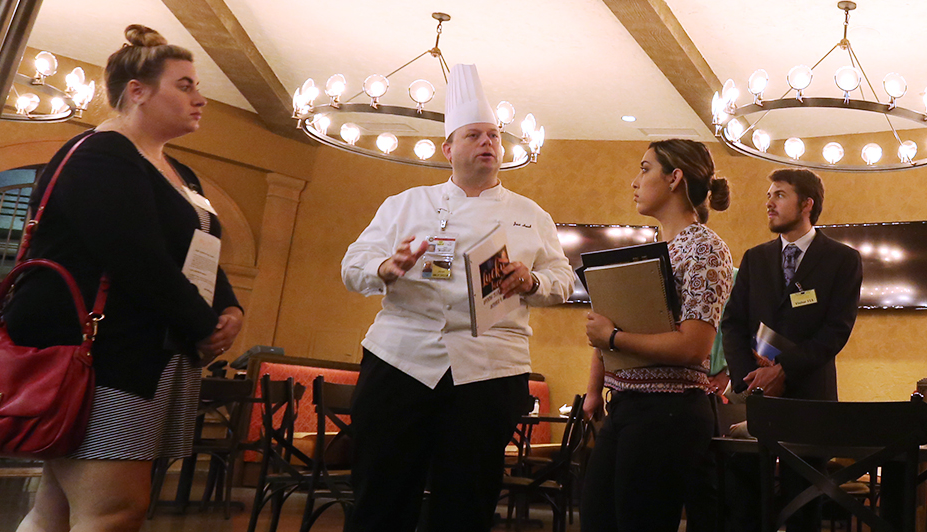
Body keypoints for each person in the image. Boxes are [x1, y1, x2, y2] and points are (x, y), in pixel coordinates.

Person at [7, 25, 243, 532]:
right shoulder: (102, 156)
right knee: (114, 509)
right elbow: (137, 259)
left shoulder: (180, 173)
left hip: (141, 351)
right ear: (137, 91)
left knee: (59, 507)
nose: (200, 99)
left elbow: (199, 251)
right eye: (185, 85)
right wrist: (202, 325)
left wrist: (229, 308)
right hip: (102, 354)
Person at [341, 64, 574, 532]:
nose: (488, 143)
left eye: (493, 135)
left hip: (489, 369)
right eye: (474, 135)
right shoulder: (405, 204)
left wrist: (532, 282)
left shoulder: (531, 215)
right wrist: (385, 268)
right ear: (448, 148)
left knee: (467, 498)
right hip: (399, 360)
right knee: (381, 491)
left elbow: (563, 279)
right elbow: (352, 264)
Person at [581, 139, 733, 532]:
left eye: (645, 168)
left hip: (668, 413)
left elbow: (693, 345)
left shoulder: (704, 247)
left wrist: (613, 337)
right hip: (628, 406)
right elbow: (611, 328)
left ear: (674, 178)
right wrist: (595, 389)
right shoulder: (654, 247)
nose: (635, 181)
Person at [720, 168, 862, 532]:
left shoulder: (842, 259)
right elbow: (733, 323)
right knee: (747, 504)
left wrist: (782, 369)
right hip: (759, 399)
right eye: (769, 194)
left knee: (805, 509)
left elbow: (836, 331)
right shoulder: (755, 258)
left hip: (811, 402)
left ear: (807, 204)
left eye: (779, 194)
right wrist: (749, 378)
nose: (769, 202)